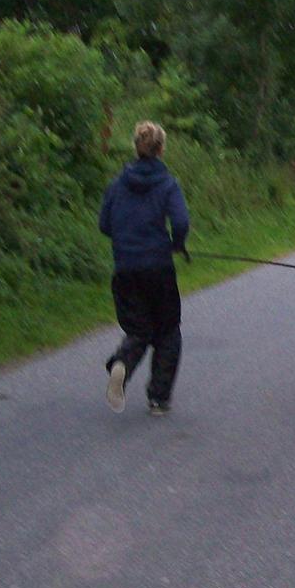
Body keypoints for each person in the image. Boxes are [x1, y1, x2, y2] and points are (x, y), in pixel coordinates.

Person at [98, 122, 189, 415]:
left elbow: (104, 224)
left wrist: (127, 240)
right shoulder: (167, 183)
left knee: (138, 330)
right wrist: (176, 243)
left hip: (125, 269)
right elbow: (181, 221)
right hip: (158, 268)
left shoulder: (117, 183)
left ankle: (122, 364)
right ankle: (159, 399)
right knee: (167, 332)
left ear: (136, 147)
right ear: (161, 149)